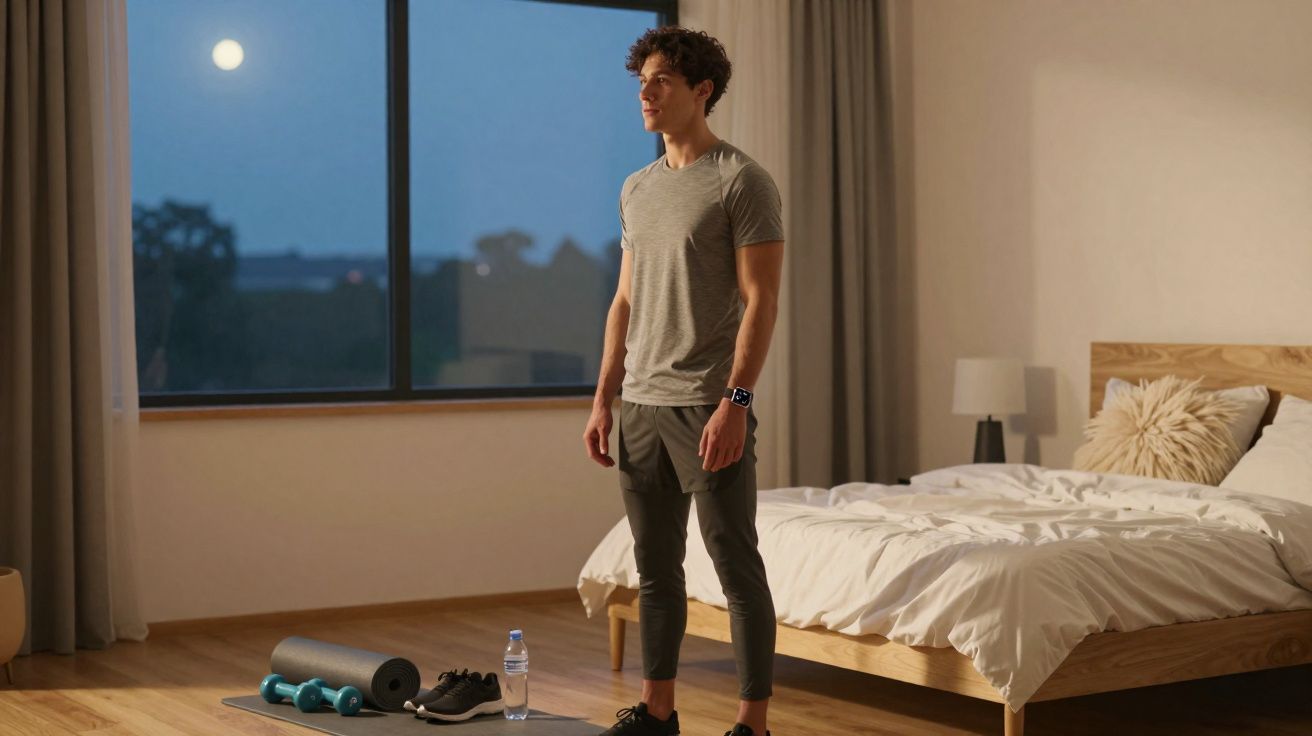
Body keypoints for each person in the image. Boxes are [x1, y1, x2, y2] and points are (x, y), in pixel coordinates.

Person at [582, 25, 785, 736]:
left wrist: (736, 401)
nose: (646, 90)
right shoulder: (637, 188)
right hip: (639, 404)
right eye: (642, 78)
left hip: (707, 406)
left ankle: (752, 724)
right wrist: (605, 396)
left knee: (735, 567)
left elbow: (762, 300)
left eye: (662, 79)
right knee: (654, 572)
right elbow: (626, 302)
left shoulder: (741, 181)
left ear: (701, 91)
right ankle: (658, 711)